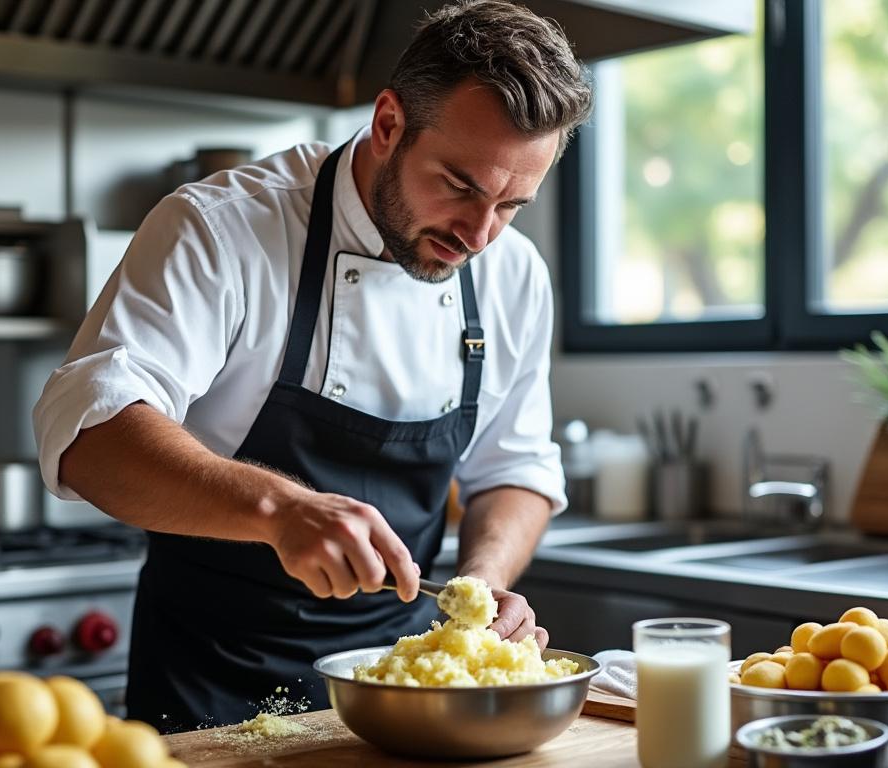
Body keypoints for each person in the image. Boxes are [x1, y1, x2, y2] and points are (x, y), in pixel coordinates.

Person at [32, 0, 592, 730]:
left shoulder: (512, 273)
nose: (480, 235)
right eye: (460, 186)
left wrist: (480, 590)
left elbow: (514, 467)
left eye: (512, 204)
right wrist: (279, 510)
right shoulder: (222, 229)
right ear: (387, 124)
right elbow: (89, 436)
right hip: (210, 692)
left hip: (401, 690)